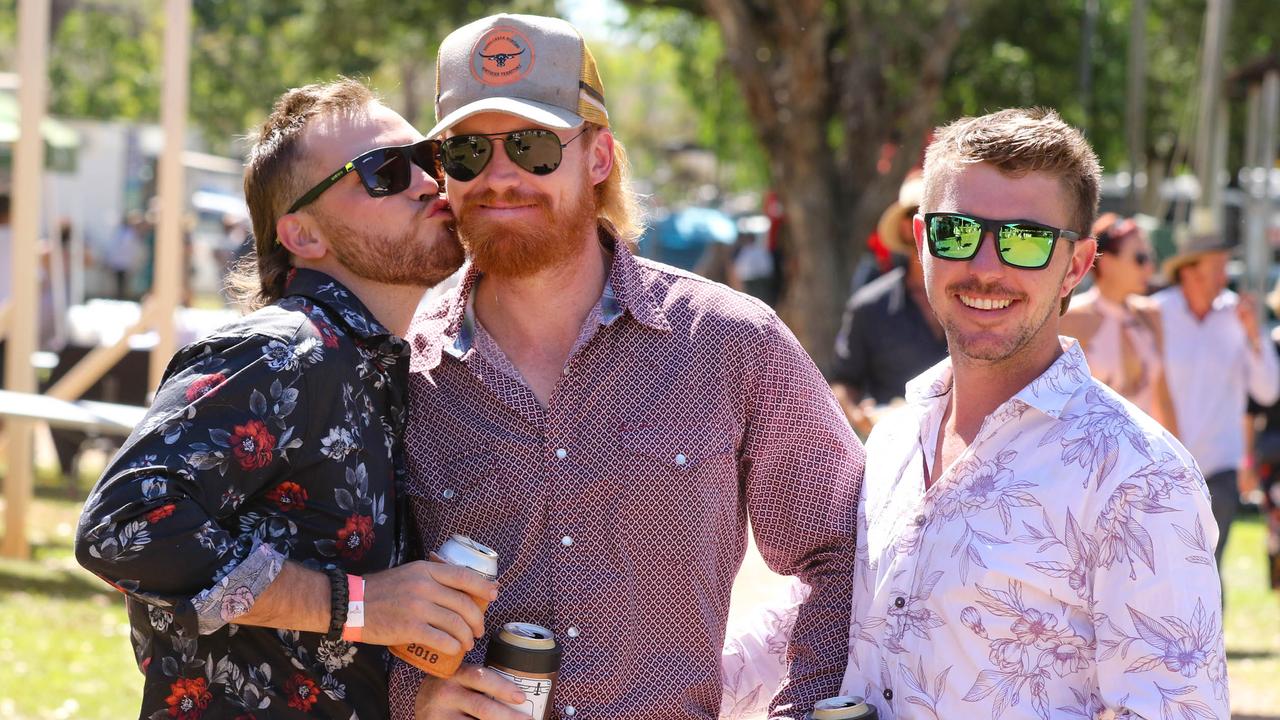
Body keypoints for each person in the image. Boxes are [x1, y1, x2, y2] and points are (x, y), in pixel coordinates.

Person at [393, 13, 863, 720]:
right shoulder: (395, 370)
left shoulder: (731, 342)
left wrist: (804, 708)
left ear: (600, 157)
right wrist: (412, 697)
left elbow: (844, 550)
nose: (498, 176)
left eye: (531, 145)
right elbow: (341, 592)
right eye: (464, 153)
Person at [724, 108, 1228, 719]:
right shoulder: (897, 437)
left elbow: (1173, 711)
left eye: (1025, 239)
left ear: (1076, 264)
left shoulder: (1140, 477)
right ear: (920, 242)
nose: (987, 266)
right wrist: (653, 686)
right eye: (958, 232)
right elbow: (842, 619)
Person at [75, 78, 494, 719]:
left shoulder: (379, 364)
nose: (426, 184)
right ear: (302, 235)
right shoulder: (285, 351)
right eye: (383, 172)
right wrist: (357, 605)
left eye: (426, 159)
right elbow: (123, 526)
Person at [1154, 231, 1280, 568]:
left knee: (1209, 568)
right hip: (1162, 465)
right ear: (1189, 272)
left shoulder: (1239, 317)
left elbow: (1268, 390)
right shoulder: (1155, 315)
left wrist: (1256, 336)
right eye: (1218, 268)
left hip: (1220, 468)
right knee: (1165, 567)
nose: (1226, 277)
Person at [830, 173, 948, 437]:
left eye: (950, 220)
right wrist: (857, 413)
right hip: (897, 444)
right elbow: (844, 381)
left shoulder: (982, 299)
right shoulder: (869, 307)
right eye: (925, 216)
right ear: (909, 228)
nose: (939, 228)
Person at [1060, 213, 1178, 432]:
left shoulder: (1150, 314)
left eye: (1150, 258)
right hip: (1091, 453)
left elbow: (1163, 399)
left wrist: (1181, 463)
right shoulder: (1071, 319)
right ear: (1107, 263)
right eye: (1140, 259)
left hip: (1143, 452)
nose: (1149, 268)